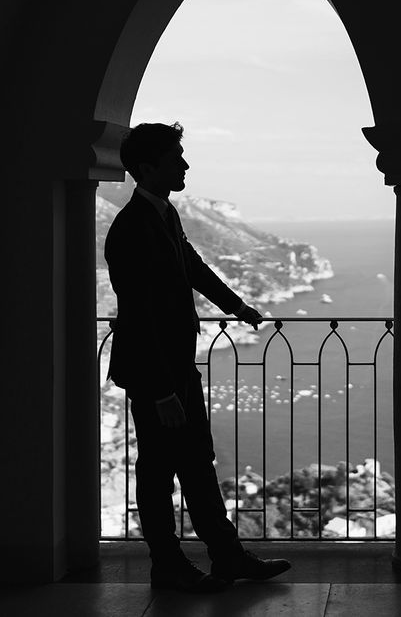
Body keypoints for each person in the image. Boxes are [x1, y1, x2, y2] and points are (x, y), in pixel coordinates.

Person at [105, 122, 291, 593]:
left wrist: (240, 309)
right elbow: (139, 316)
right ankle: (167, 566)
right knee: (157, 472)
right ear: (148, 167)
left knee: (196, 463)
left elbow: (194, 268)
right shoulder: (131, 227)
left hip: (175, 369)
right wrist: (163, 389)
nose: (185, 164)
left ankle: (227, 557)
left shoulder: (164, 214)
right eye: (176, 157)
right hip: (157, 376)